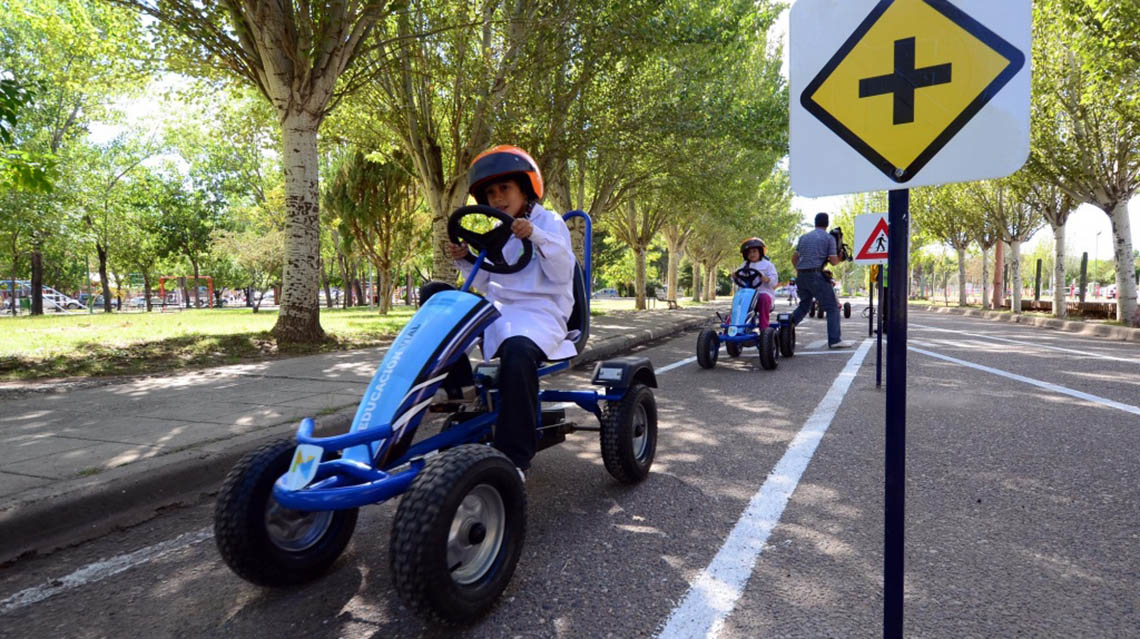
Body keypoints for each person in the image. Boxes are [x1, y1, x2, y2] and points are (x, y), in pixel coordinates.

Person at [446, 145, 576, 477]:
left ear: (525, 187)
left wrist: (536, 235)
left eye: (505, 188)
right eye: (491, 192)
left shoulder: (551, 222)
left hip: (541, 314)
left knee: (517, 353)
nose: (498, 197)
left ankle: (514, 459)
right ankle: (458, 387)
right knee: (436, 297)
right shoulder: (497, 231)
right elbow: (487, 283)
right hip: (501, 312)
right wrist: (463, 257)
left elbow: (563, 275)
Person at [791, 212, 853, 348]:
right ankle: (835, 340)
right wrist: (841, 256)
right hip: (816, 276)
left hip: (801, 276)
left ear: (815, 222)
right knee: (832, 307)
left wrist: (800, 270)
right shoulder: (828, 238)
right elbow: (834, 261)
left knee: (804, 306)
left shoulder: (803, 238)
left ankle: (785, 328)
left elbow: (794, 258)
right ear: (827, 223)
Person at [738, 237, 778, 330]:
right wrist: (736, 277)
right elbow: (740, 282)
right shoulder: (744, 265)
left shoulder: (768, 265)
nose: (752, 254)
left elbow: (774, 280)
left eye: (754, 251)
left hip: (763, 293)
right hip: (747, 294)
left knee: (764, 298)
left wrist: (768, 279)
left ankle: (764, 328)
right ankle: (733, 327)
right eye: (749, 252)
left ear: (760, 252)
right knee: (738, 299)